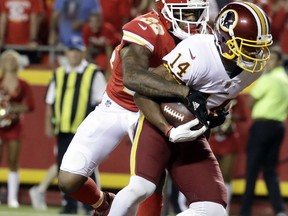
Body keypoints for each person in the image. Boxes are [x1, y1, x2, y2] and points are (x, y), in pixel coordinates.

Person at [107, 1, 273, 215]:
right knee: (141, 187)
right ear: (225, 38)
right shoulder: (198, 51)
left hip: (194, 132)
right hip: (159, 122)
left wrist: (215, 114)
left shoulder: (252, 70)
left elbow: (216, 100)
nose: (256, 54)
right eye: (249, 46)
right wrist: (169, 128)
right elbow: (142, 93)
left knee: (214, 209)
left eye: (259, 47)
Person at [57, 0, 210, 215]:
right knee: (68, 180)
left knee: (151, 179)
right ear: (165, 11)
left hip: (152, 109)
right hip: (116, 105)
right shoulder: (146, 29)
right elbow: (133, 77)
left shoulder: (203, 37)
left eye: (197, 13)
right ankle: (104, 205)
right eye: (187, 13)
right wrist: (184, 93)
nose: (193, 20)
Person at [45, 36, 107, 214]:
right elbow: (50, 100)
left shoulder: (93, 72)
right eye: (71, 51)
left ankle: (92, 204)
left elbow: (101, 103)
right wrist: (49, 123)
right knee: (62, 167)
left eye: (77, 51)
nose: (74, 54)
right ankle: (69, 204)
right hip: (63, 129)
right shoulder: (58, 74)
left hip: (85, 131)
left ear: (83, 52)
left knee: (86, 167)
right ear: (66, 53)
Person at [239, 46, 288, 216]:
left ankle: (245, 211)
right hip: (278, 127)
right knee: (270, 171)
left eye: (272, 59)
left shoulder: (269, 79)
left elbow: (250, 101)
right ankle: (280, 210)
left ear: (279, 62)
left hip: (262, 127)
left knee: (252, 170)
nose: (269, 63)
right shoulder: (285, 79)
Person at [0, 49, 35, 208]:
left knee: (13, 161)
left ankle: (12, 198)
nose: (10, 62)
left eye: (13, 59)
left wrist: (12, 109)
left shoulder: (23, 84)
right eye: (7, 59)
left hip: (14, 126)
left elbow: (30, 105)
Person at [209, 95, 249, 214]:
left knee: (226, 177)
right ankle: (210, 207)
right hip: (214, 138)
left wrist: (229, 117)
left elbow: (243, 116)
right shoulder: (211, 91)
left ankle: (225, 208)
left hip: (229, 140)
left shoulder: (236, 96)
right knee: (211, 177)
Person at [82, 12, 121, 80]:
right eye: (92, 22)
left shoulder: (107, 29)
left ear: (101, 22)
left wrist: (109, 72)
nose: (95, 24)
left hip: (116, 50)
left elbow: (109, 51)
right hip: (100, 50)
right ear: (89, 23)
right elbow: (86, 48)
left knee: (103, 63)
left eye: (97, 21)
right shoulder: (86, 30)